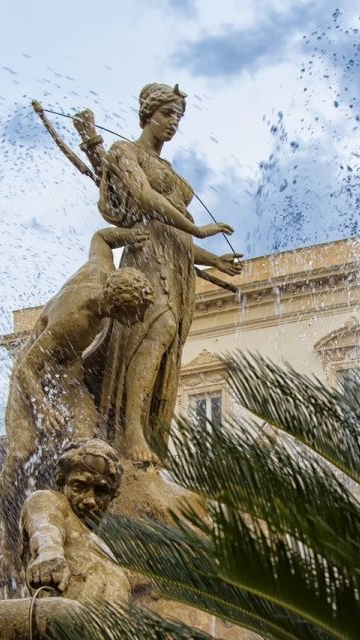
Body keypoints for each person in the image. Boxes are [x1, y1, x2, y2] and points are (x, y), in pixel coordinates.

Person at [89, 82, 243, 463]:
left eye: (178, 117)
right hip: (145, 255)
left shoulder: (169, 169)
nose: (173, 123)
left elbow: (175, 236)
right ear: (147, 114)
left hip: (177, 265)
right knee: (156, 329)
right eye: (167, 114)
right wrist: (198, 228)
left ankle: (147, 432)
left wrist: (211, 258)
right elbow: (144, 198)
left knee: (167, 346)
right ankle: (130, 433)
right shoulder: (125, 151)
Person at [0, 226, 153, 524]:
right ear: (116, 306)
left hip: (68, 373)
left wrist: (131, 235)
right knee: (22, 450)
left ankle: (77, 509)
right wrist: (44, 408)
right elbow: (26, 367)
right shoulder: (72, 320)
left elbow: (101, 238)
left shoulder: (101, 269)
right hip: (33, 375)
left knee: (85, 437)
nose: (134, 322)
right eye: (131, 316)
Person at [0, 439, 130, 640]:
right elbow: (45, 526)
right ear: (62, 483)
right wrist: (50, 554)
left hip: (102, 630)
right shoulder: (51, 500)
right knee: (66, 613)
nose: (90, 500)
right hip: (67, 621)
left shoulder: (102, 547)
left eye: (101, 491)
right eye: (79, 486)